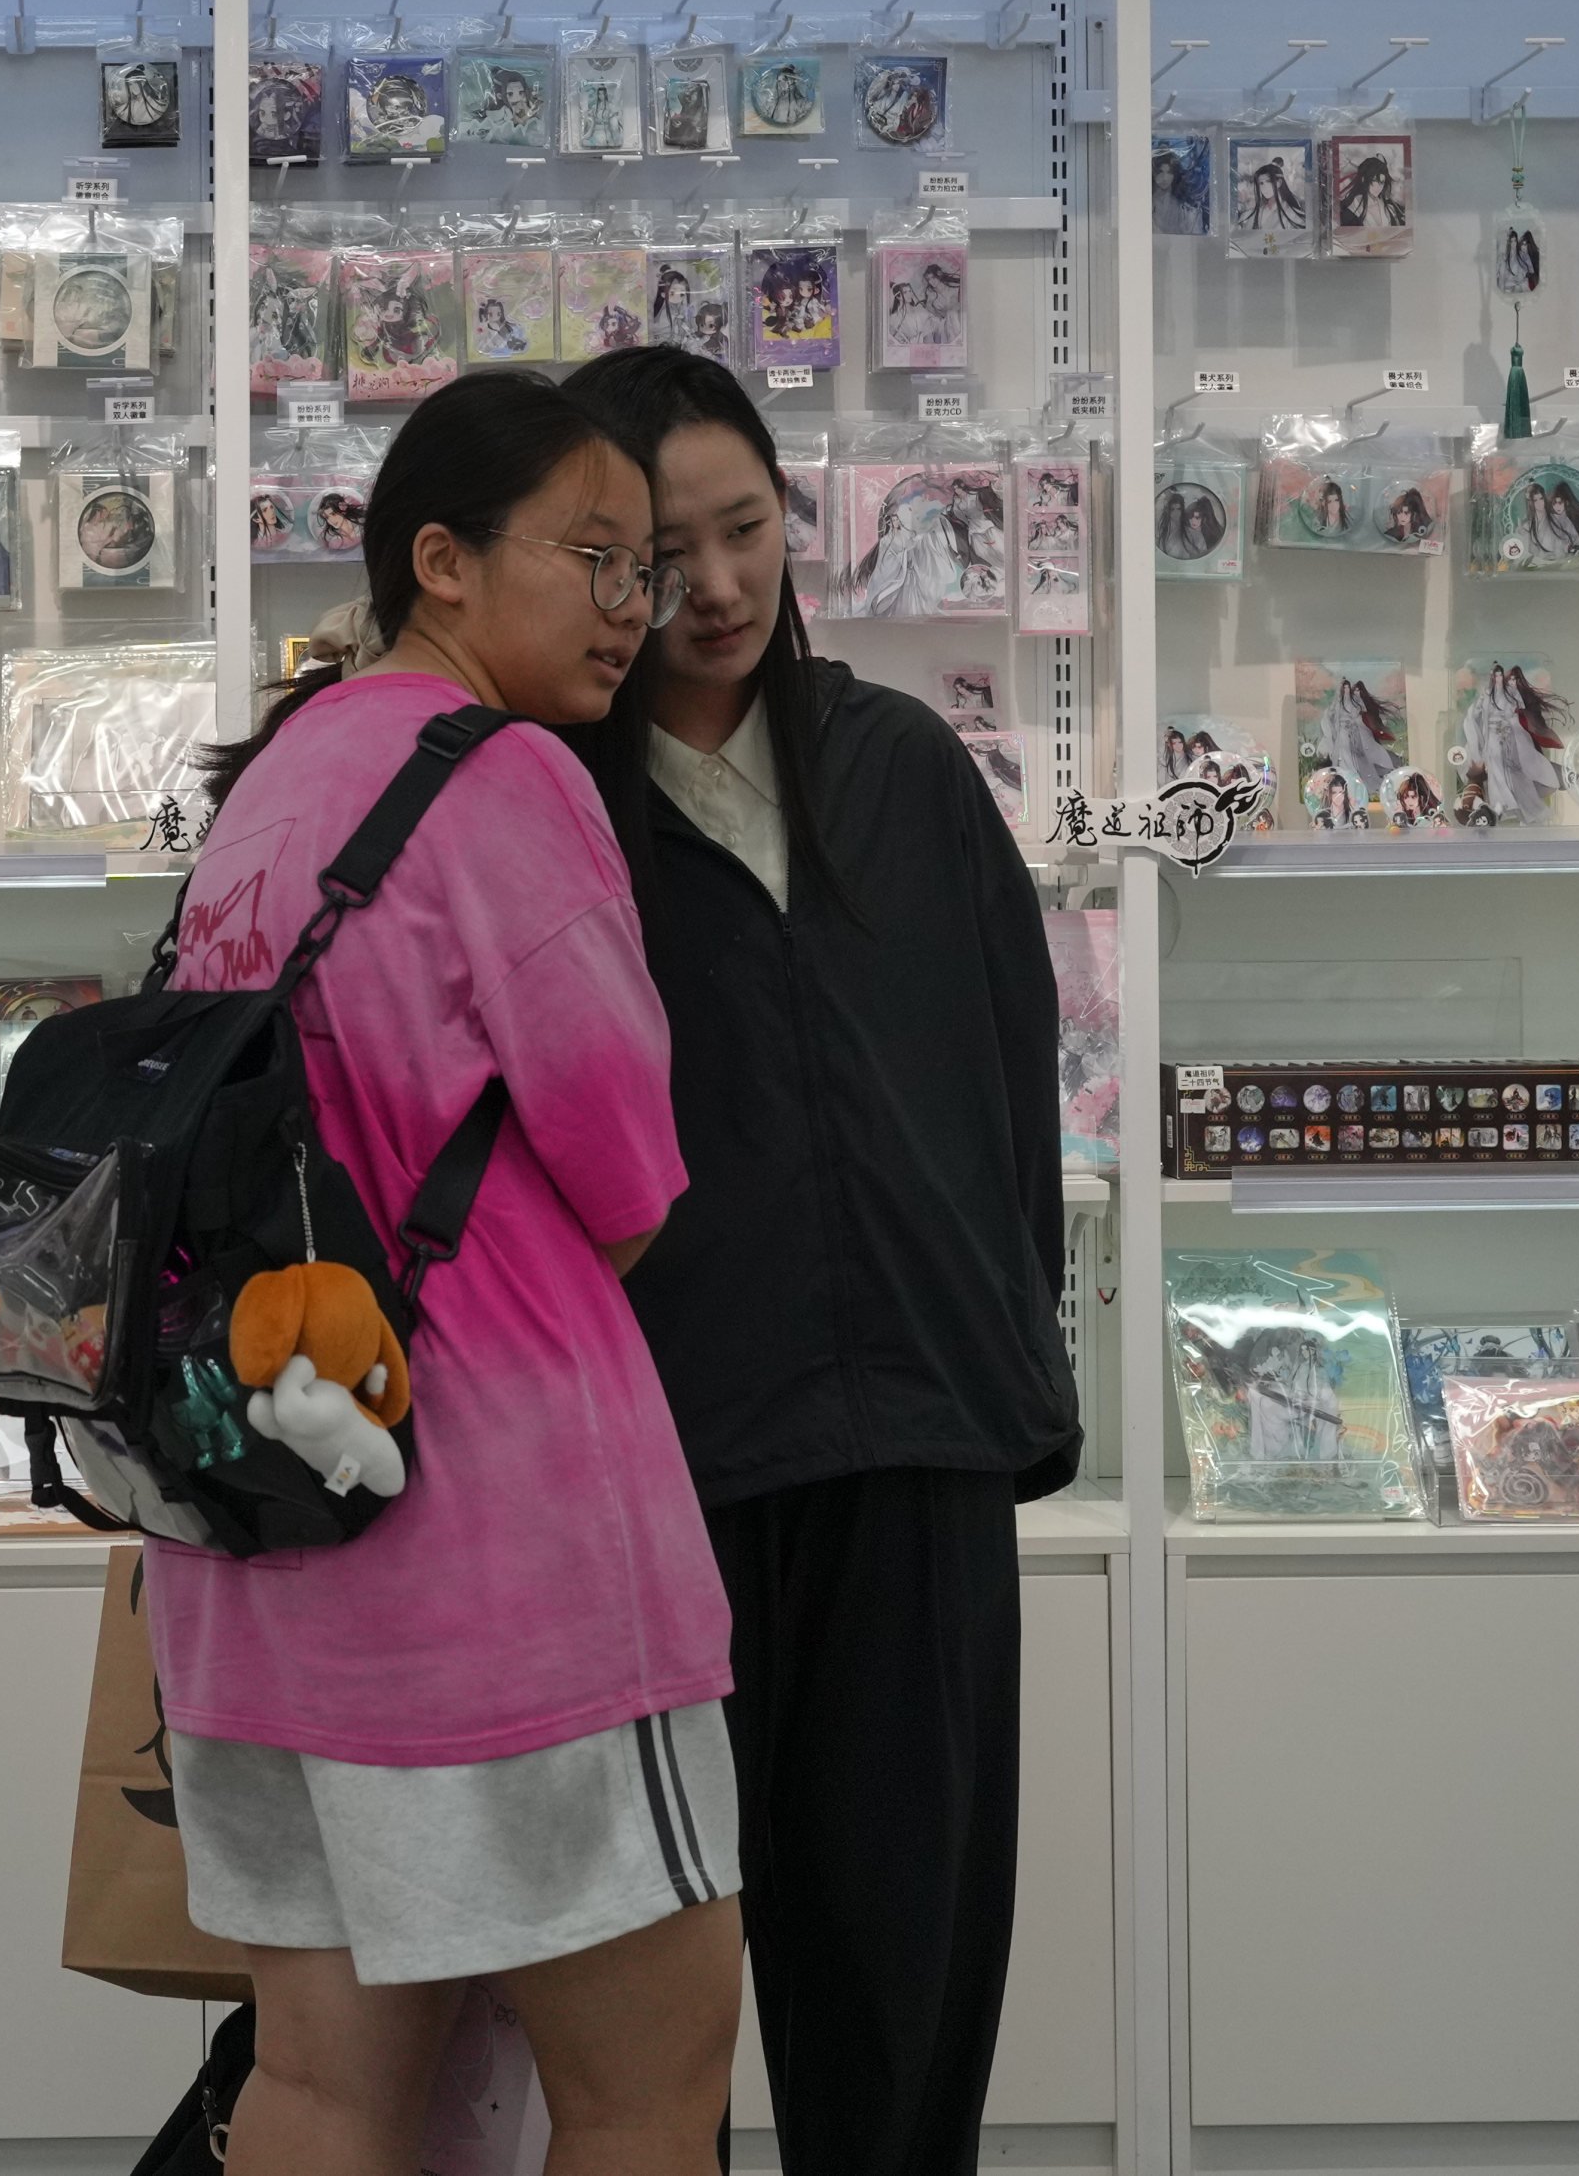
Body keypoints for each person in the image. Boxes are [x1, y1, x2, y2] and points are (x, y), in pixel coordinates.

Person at [153, 371, 741, 2176]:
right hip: (515, 1575)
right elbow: (630, 1175)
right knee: (645, 2097)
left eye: (645, 570)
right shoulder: (508, 783)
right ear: (443, 563)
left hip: (262, 1554)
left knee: (324, 2091)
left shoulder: (272, 785)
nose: (635, 610)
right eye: (594, 558)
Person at [561, 347, 1080, 2176]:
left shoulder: (901, 765)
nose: (711, 586)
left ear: (795, 520)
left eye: (745, 528)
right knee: (651, 2029)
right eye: (654, 553)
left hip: (919, 1459)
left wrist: (1019, 1368)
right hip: (668, 1469)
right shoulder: (559, 804)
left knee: (905, 1990)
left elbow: (1012, 1083)